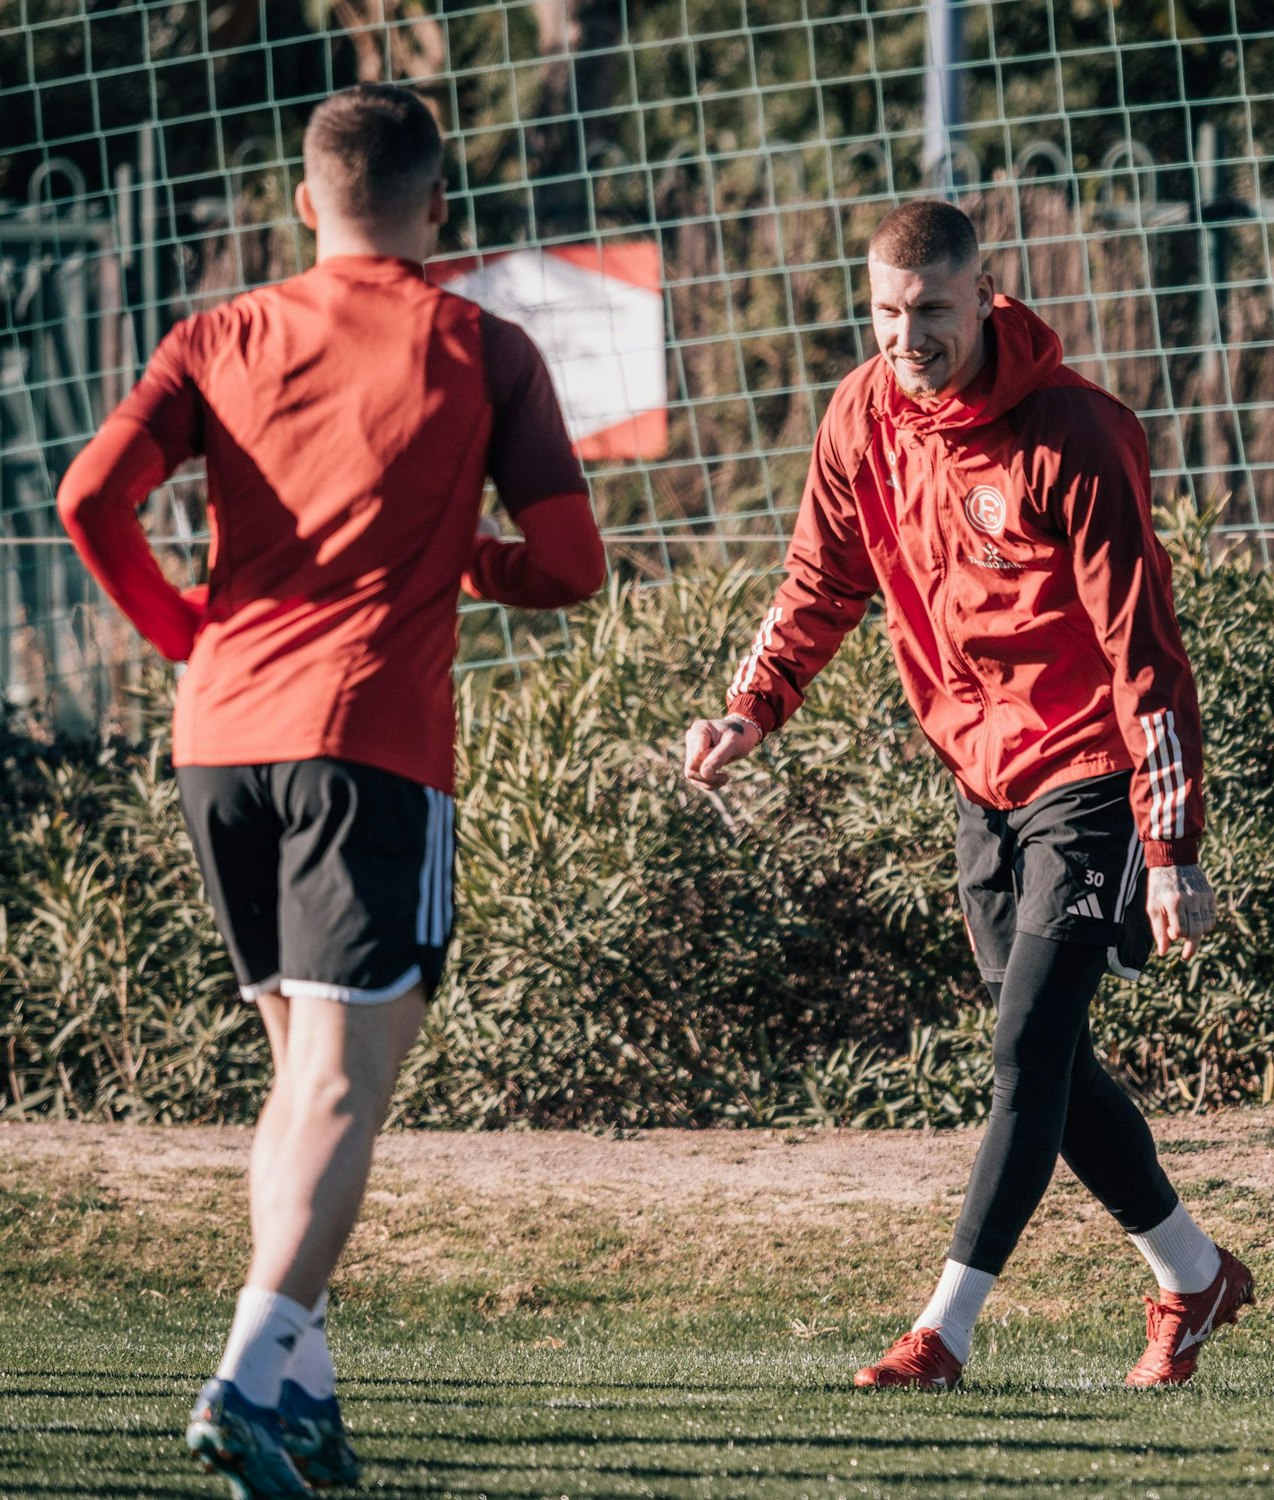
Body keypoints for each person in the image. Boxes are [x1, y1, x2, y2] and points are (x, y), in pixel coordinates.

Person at [58, 83, 605, 1497]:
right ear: (439, 211)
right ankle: (248, 1373)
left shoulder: (219, 334)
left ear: (305, 202)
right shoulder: (480, 346)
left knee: (301, 1084)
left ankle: (304, 1391)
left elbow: (88, 499)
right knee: (347, 1092)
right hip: (368, 744)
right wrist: (464, 558)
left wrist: (185, 634)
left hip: (219, 745)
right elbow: (570, 563)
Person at [684, 199, 1251, 1390]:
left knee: (1022, 1055)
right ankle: (1194, 1277)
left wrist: (1170, 845)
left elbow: (1144, 649)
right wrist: (753, 705)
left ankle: (944, 1330)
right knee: (1039, 1055)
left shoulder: (1073, 434)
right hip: (977, 776)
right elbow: (818, 579)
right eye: (886, 312)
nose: (906, 336)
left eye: (930, 311)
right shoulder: (863, 414)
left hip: (1087, 770)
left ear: (985, 296)